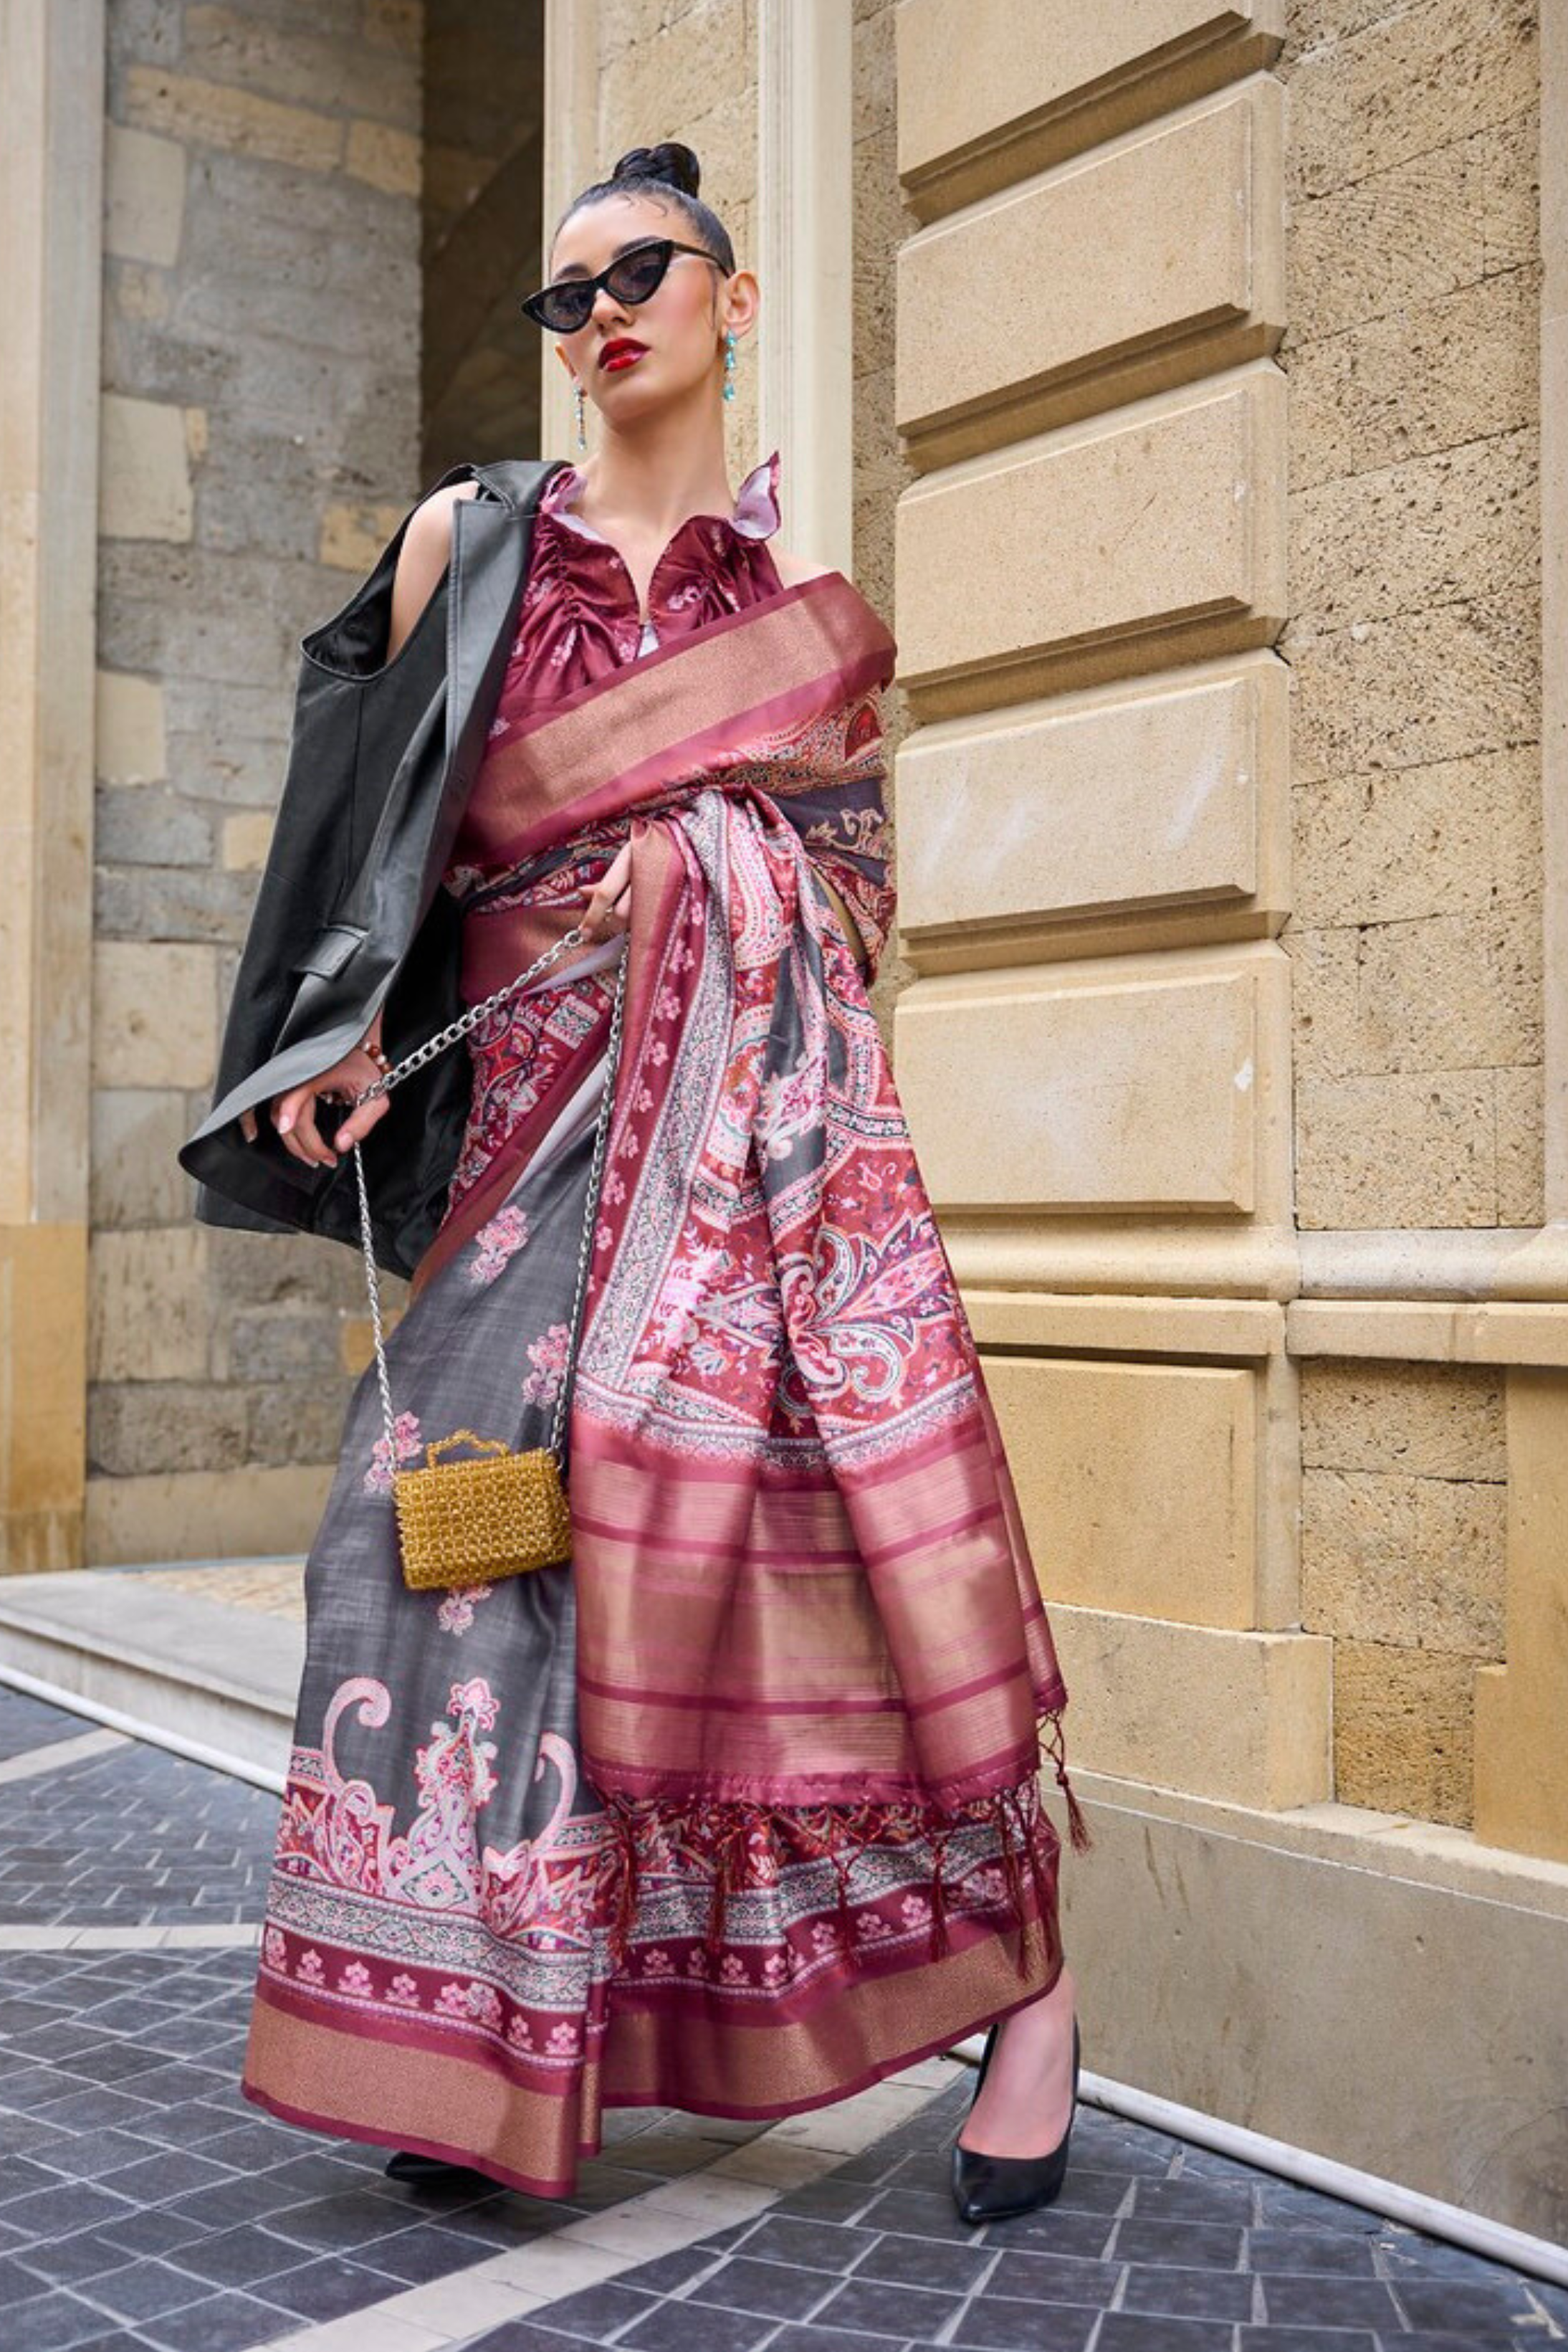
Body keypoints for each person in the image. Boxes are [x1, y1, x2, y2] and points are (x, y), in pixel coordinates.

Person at [226, 138, 1090, 2224]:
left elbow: (862, 906)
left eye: (640, 272)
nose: (600, 311)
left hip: (742, 1173)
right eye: (565, 293)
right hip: (513, 1140)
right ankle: (484, 2040)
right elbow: (368, 826)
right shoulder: (472, 539)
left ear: (732, 297)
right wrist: (326, 1036)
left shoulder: (784, 618)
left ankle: (1029, 1996)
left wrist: (712, 861)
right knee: (444, 1554)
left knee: (815, 1570)